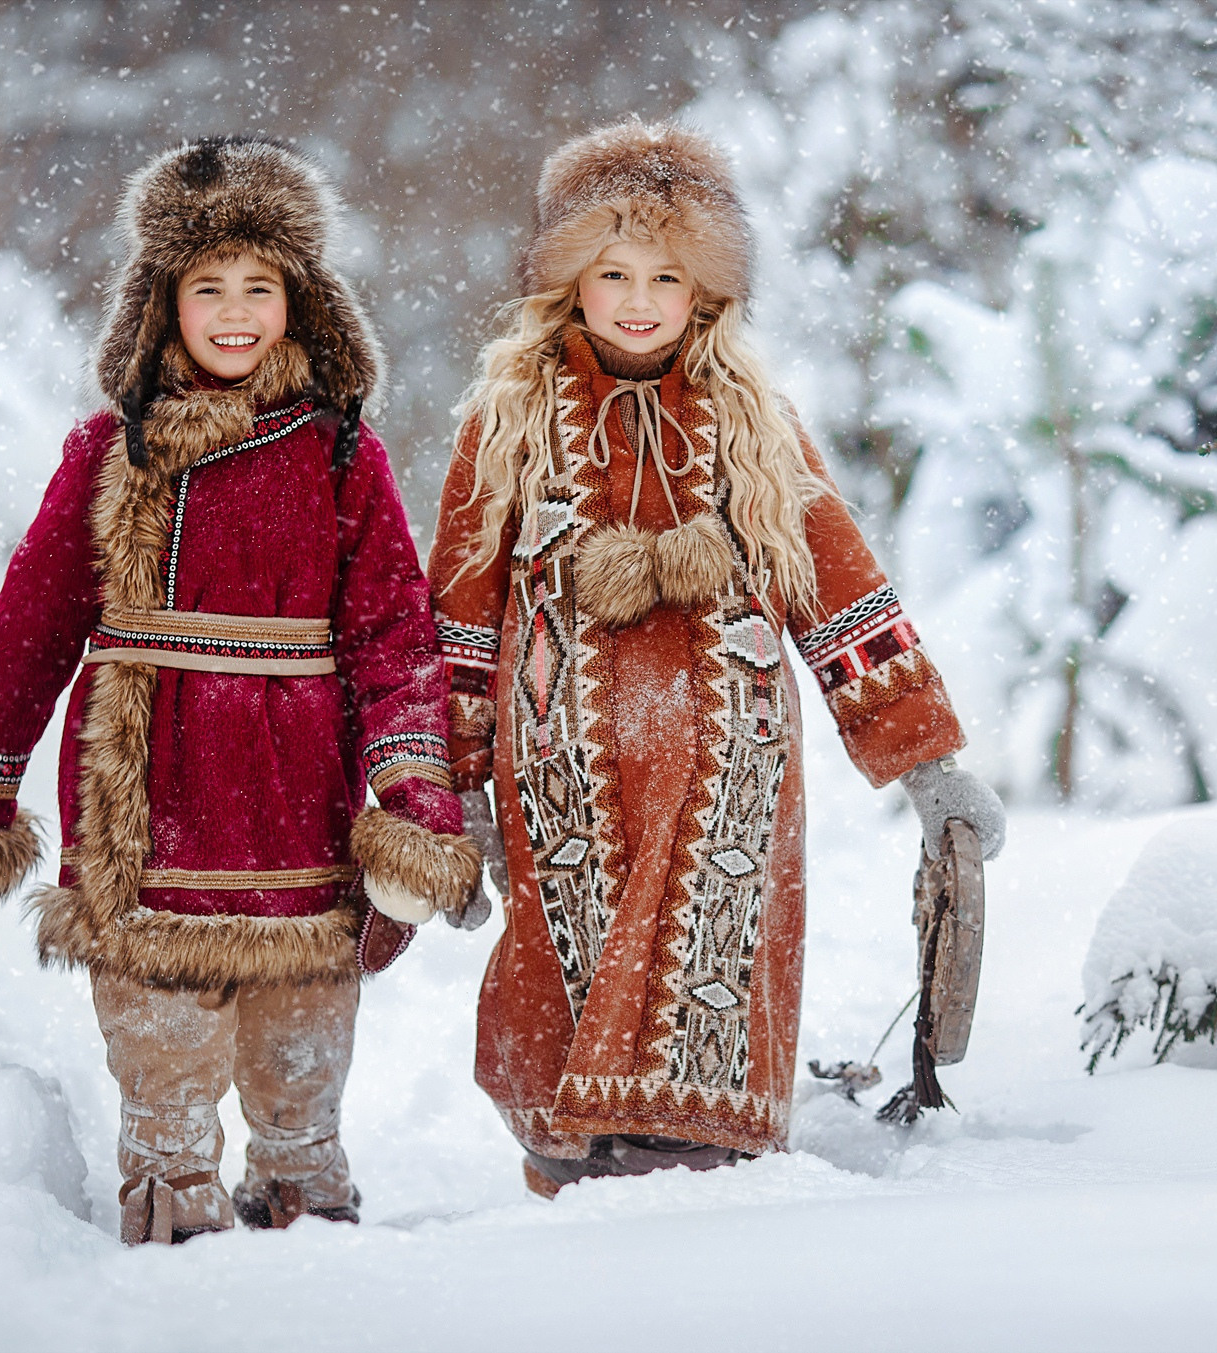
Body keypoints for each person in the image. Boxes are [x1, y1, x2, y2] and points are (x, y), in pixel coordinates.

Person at [0, 137, 481, 1243]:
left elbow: (395, 639)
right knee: (158, 1036)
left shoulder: (342, 452)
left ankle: (306, 1195)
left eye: (259, 287)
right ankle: (169, 1209)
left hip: (295, 788)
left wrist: (413, 801)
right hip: (147, 789)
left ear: (302, 300)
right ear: (160, 304)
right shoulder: (108, 452)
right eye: (207, 288)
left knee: (302, 1028)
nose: (235, 313)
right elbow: (29, 630)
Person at [428, 119, 1006, 1198]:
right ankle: (569, 1163)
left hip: (728, 766)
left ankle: (698, 1164)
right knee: (560, 972)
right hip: (561, 770)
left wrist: (926, 763)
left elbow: (841, 593)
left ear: (708, 290)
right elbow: (457, 622)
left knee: (710, 957)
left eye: (666, 273)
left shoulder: (753, 421)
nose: (638, 298)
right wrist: (447, 795)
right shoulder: (506, 422)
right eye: (610, 272)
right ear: (569, 281)